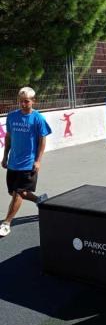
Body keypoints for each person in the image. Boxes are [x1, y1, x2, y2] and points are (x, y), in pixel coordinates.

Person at [0, 87, 52, 237]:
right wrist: (5, 156)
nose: (23, 104)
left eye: (26, 101)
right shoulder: (11, 116)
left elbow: (43, 140)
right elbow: (8, 137)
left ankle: (6, 223)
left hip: (28, 163)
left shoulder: (38, 118)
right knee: (15, 192)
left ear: (33, 101)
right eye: (21, 101)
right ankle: (39, 200)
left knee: (18, 193)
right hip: (13, 162)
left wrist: (38, 161)